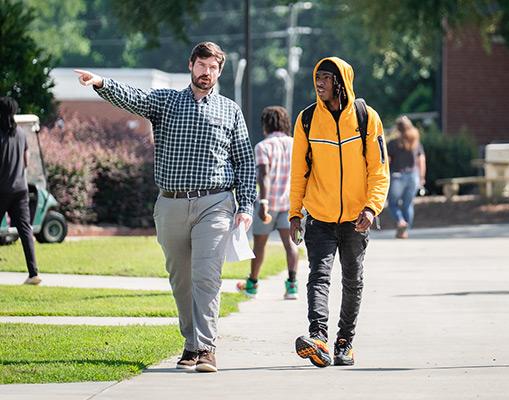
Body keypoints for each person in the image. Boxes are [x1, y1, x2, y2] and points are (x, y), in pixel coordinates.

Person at [75, 41, 256, 373]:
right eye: (202, 66)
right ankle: (190, 344)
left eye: (213, 68)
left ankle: (206, 347)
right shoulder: (167, 101)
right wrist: (101, 83)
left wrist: (245, 205)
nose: (207, 72)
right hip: (171, 203)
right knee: (181, 279)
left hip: (215, 202)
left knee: (206, 276)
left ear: (220, 71)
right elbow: (133, 98)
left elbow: (245, 161)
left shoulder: (230, 110)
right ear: (191, 66)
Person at [289, 57, 389, 367]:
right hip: (319, 216)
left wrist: (372, 208)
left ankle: (344, 342)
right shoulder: (307, 120)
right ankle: (318, 337)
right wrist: (295, 212)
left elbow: (379, 169)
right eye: (317, 76)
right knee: (318, 277)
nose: (319, 83)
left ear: (341, 83)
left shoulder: (366, 118)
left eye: (327, 78)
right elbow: (298, 171)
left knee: (352, 280)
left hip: (356, 218)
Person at [236, 106, 299, 299]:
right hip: (289, 204)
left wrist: (263, 201)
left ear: (266, 125)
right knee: (291, 244)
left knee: (259, 246)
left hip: (267, 205)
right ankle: (292, 286)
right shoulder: (295, 144)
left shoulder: (263, 146)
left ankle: (252, 285)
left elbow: (263, 174)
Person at [0, 97, 41, 285]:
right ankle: (34, 274)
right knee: (25, 230)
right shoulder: (22, 134)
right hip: (20, 189)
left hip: (2, 189)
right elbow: (26, 161)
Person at [386, 116, 426, 239]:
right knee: (408, 205)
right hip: (413, 176)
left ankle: (400, 221)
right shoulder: (416, 142)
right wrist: (422, 177)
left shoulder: (393, 143)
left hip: (397, 176)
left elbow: (386, 161)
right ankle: (404, 231)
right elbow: (421, 160)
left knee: (392, 204)